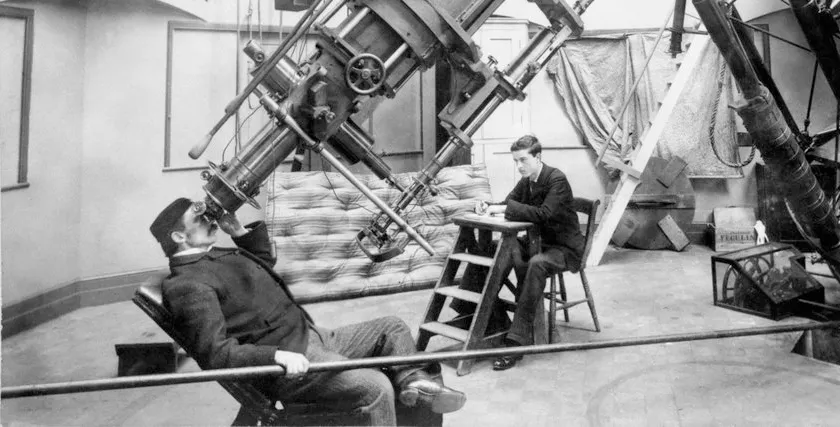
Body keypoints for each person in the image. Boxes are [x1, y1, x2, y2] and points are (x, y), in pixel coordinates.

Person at [149, 198, 466, 426]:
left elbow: (261, 265)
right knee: (375, 385)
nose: (211, 219)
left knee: (392, 327)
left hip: (313, 336)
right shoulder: (186, 284)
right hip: (289, 363)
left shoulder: (213, 254)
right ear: (178, 237)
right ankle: (404, 390)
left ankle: (413, 383)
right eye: (200, 217)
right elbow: (216, 356)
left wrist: (239, 230)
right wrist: (274, 356)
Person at [478, 134, 584, 370]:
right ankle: (485, 319)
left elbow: (543, 214)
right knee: (494, 250)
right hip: (539, 242)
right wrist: (490, 206)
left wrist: (508, 208)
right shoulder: (527, 180)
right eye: (515, 161)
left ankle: (516, 342)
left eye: (523, 160)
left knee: (536, 264)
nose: (518, 167)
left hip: (564, 247)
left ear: (538, 157)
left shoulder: (556, 179)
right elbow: (510, 203)